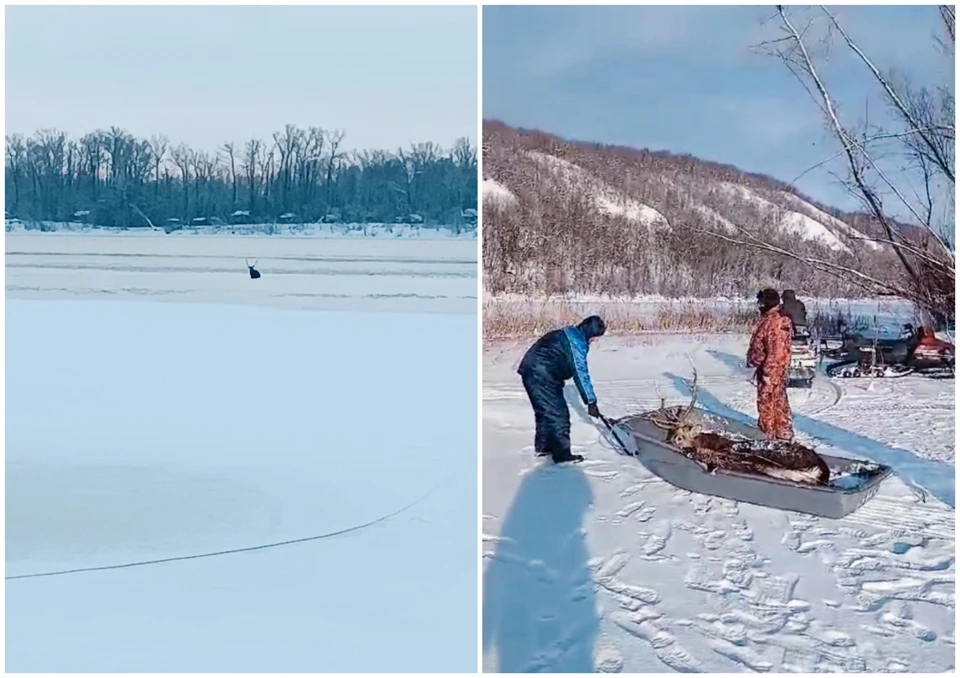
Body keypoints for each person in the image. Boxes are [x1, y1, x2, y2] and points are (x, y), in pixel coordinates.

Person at [517, 315, 606, 463]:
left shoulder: (569, 333)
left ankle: (544, 448)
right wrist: (591, 401)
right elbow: (580, 372)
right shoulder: (576, 343)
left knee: (545, 412)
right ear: (590, 333)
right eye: (595, 337)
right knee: (558, 414)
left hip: (532, 371)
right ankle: (562, 454)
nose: (595, 341)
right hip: (541, 374)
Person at [746, 289, 794, 440]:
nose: (759, 306)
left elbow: (777, 352)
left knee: (769, 404)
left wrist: (768, 372)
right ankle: (778, 434)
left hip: (771, 371)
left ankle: (769, 437)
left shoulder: (776, 323)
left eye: (761, 303)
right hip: (768, 368)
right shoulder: (770, 319)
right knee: (776, 402)